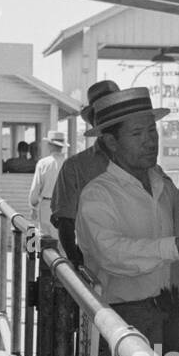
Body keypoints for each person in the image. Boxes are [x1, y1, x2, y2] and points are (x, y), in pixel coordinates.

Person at [75, 86, 179, 356]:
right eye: (137, 133)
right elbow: (112, 253)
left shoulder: (162, 183)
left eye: (152, 130)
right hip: (126, 320)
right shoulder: (97, 195)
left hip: (170, 313)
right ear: (110, 142)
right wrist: (177, 247)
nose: (151, 140)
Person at [52, 79, 120, 267]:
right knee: (35, 247)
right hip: (94, 262)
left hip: (140, 265)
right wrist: (76, 263)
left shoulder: (143, 164)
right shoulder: (74, 166)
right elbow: (65, 221)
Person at [27, 129, 67, 233]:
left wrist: (33, 207)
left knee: (45, 241)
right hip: (66, 207)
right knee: (63, 241)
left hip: (47, 206)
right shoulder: (70, 163)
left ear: (50, 145)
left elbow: (36, 188)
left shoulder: (43, 163)